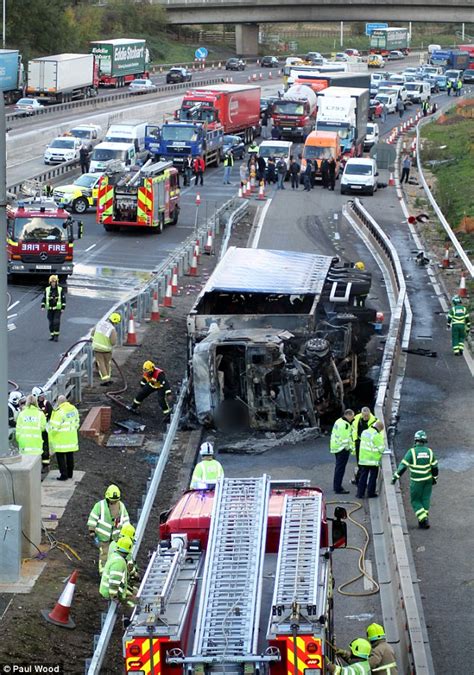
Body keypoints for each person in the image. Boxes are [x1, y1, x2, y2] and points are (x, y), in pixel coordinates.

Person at [392, 430, 438, 529]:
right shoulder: (429, 451)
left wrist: (395, 476)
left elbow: (403, 466)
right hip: (428, 480)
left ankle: (423, 519)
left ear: (415, 440)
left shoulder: (411, 452)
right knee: (425, 499)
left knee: (415, 501)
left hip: (417, 481)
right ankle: (423, 520)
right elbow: (435, 467)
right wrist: (435, 478)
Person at [88, 484, 130, 572]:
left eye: (115, 501)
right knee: (105, 554)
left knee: (116, 553)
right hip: (103, 536)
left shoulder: (121, 507)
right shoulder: (100, 506)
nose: (114, 503)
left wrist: (126, 533)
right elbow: (93, 517)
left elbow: (125, 519)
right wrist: (91, 529)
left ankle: (114, 569)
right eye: (112, 501)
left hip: (116, 537)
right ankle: (103, 571)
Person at [48, 395, 80, 481]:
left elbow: (54, 428)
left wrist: (50, 437)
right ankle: (70, 473)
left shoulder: (59, 412)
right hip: (71, 438)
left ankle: (64, 475)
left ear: (59, 402)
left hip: (60, 440)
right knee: (70, 456)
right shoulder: (73, 409)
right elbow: (77, 422)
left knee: (60, 458)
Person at [99, 535, 134, 606]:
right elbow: (114, 581)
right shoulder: (119, 563)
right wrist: (115, 598)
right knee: (133, 604)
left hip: (107, 590)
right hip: (109, 593)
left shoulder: (114, 555)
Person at [108, 522, 139, 593]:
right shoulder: (124, 551)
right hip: (119, 582)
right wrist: (136, 575)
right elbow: (130, 569)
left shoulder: (113, 544)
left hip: (111, 578)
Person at [356, 420, 385, 499]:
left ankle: (360, 493)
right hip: (372, 460)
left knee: (363, 477)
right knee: (372, 477)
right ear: (379, 428)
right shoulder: (377, 435)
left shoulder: (365, 432)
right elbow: (381, 449)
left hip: (363, 459)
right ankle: (370, 493)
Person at [91, 312, 121, 385]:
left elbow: (92, 333)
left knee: (101, 363)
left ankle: (106, 379)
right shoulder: (112, 329)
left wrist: (94, 340)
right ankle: (107, 379)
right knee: (107, 363)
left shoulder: (100, 324)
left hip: (97, 348)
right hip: (107, 350)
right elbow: (113, 342)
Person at [330, 409, 355, 495]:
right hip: (342, 448)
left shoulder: (339, 421)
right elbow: (346, 440)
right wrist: (350, 449)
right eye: (352, 416)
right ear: (348, 415)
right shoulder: (345, 425)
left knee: (338, 467)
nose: (353, 418)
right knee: (340, 468)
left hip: (336, 447)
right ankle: (338, 488)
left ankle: (336, 485)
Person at [351, 406, 377, 485]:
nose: (365, 417)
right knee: (360, 463)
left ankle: (360, 481)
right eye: (364, 416)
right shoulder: (356, 419)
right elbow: (352, 430)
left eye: (367, 416)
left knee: (364, 464)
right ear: (361, 414)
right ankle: (358, 480)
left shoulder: (374, 420)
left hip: (367, 445)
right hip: (358, 443)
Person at [32, 386, 54, 471]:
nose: (43, 397)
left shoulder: (46, 403)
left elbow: (52, 414)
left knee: (45, 447)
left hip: (44, 430)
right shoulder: (33, 405)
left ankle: (45, 465)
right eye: (40, 396)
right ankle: (36, 464)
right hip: (35, 431)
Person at [41, 275, 66, 341]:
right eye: (52, 282)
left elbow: (63, 300)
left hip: (57, 309)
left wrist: (63, 308)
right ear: (50, 282)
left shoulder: (60, 290)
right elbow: (44, 298)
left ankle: (56, 336)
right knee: (51, 323)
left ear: (56, 282)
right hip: (50, 309)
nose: (53, 283)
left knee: (56, 322)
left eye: (54, 282)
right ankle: (52, 335)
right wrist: (43, 306)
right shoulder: (47, 289)